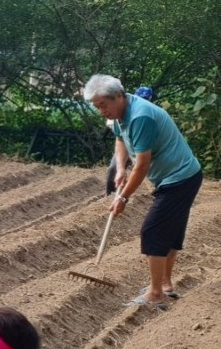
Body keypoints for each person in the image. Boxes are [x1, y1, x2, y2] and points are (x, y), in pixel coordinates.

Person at [84, 74, 203, 310]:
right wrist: (120, 169)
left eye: (103, 105)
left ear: (118, 96)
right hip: (178, 177)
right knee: (170, 230)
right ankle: (166, 285)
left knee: (153, 231)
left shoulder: (140, 117)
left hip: (180, 178)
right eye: (97, 107)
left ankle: (156, 293)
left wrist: (123, 197)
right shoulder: (121, 113)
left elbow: (142, 164)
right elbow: (120, 139)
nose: (101, 111)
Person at [103, 85, 155, 196]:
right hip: (126, 145)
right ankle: (110, 193)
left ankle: (154, 195)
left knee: (145, 170)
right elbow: (118, 135)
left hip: (142, 146)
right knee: (114, 167)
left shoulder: (149, 112)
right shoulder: (122, 111)